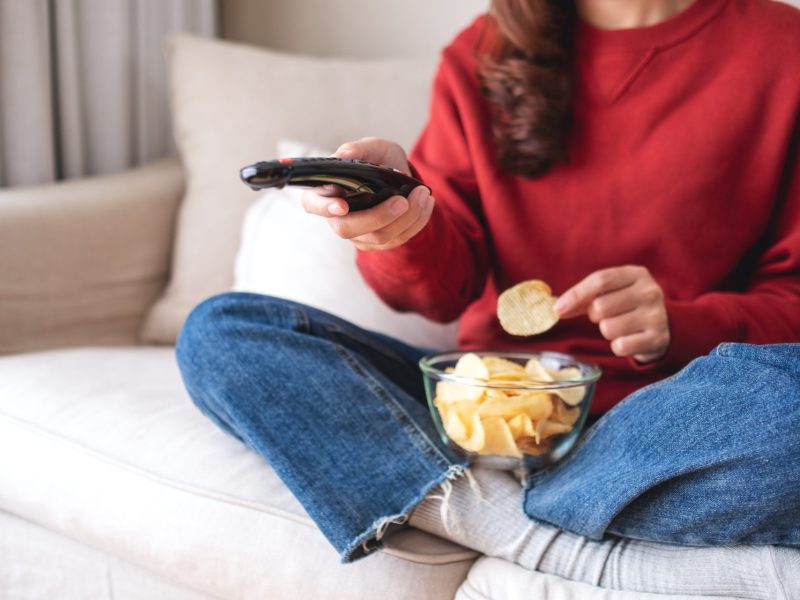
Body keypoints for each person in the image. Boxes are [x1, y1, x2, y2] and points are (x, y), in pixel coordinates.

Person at [176, 0, 800, 596]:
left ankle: (515, 507)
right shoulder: (482, 54)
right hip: (478, 422)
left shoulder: (781, 48)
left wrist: (683, 324)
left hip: (669, 425)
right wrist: (404, 223)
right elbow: (440, 292)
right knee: (222, 336)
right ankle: (533, 530)